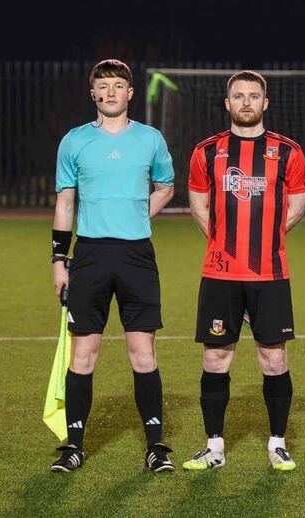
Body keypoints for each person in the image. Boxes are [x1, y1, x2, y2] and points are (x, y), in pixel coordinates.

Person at [50, 59, 176, 472]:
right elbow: (65, 202)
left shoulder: (150, 139)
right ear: (93, 94)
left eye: (117, 86)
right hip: (88, 255)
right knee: (83, 352)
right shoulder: (74, 141)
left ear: (130, 93)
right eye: (102, 86)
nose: (109, 93)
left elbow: (166, 186)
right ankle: (75, 446)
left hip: (137, 255)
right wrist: (58, 260)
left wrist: (139, 212)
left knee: (143, 352)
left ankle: (155, 446)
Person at [183, 70, 305, 471]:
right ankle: (214, 446)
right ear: (228, 103)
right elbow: (200, 208)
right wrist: (224, 243)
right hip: (220, 274)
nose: (247, 102)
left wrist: (266, 238)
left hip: (270, 274)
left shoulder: (288, 152)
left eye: (254, 96)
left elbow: (298, 205)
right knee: (216, 359)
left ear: (265, 103)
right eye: (239, 96)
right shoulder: (207, 151)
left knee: (274, 360)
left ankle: (277, 443)